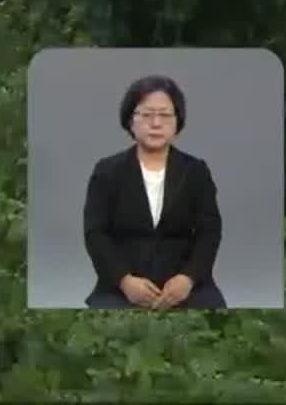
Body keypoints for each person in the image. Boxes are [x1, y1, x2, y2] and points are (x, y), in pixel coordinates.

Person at [82, 74, 227, 309]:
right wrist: (125, 281)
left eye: (165, 115)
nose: (156, 123)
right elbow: (95, 233)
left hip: (184, 285)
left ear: (177, 121)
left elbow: (209, 231)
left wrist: (188, 278)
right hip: (122, 286)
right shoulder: (107, 171)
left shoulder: (196, 170)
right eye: (147, 115)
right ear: (130, 120)